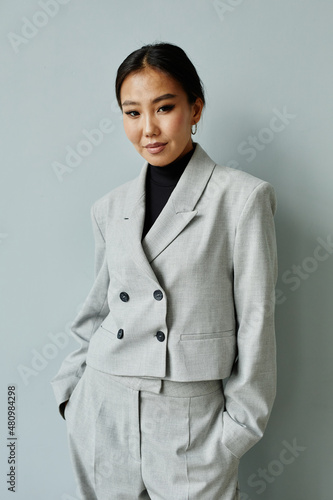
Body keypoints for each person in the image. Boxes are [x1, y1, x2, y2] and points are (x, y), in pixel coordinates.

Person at [51, 41, 278, 500]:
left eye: (164, 107)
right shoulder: (109, 208)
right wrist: (70, 397)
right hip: (103, 409)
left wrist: (236, 432)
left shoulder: (241, 199)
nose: (148, 129)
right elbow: (96, 309)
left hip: (190, 421)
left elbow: (256, 321)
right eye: (131, 113)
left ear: (196, 109)